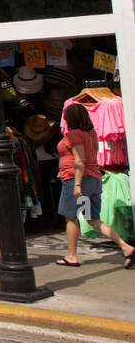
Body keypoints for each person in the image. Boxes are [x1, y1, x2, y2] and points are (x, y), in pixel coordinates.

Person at [55, 103, 135, 269]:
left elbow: (79, 160)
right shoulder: (91, 134)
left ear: (70, 118)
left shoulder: (74, 135)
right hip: (93, 179)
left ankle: (71, 256)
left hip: (77, 180)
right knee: (93, 219)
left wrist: (77, 184)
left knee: (71, 217)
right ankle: (126, 247)